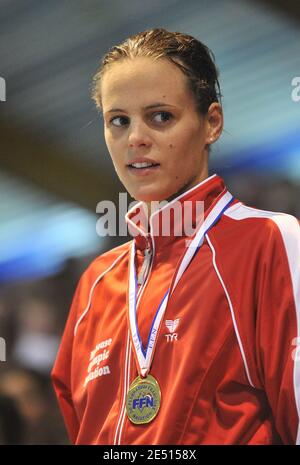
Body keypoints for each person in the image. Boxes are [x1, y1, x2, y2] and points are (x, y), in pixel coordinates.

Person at [51, 28, 300, 445]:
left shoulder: (269, 241)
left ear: (212, 123)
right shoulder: (96, 285)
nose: (136, 138)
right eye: (119, 121)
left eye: (161, 116)